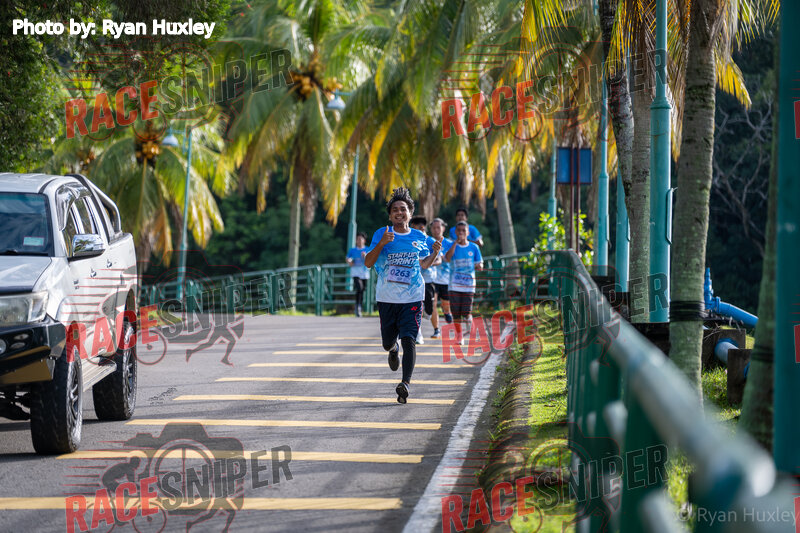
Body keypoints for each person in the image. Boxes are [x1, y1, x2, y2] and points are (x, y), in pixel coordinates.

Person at [365, 188, 442, 404]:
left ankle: (405, 383)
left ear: (410, 213)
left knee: (409, 339)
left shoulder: (420, 237)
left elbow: (424, 265)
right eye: (395, 210)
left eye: (403, 209)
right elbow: (368, 263)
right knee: (387, 342)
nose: (399, 212)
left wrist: (435, 252)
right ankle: (392, 349)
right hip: (387, 297)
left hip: (413, 297)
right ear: (390, 215)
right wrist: (382, 243)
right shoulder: (382, 233)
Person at [444, 221, 483, 345]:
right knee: (456, 312)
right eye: (458, 231)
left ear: (468, 232)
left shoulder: (474, 247)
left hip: (468, 285)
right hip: (454, 285)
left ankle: (469, 320)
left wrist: (480, 266)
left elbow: (479, 262)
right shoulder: (452, 245)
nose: (461, 233)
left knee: (466, 311)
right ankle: (459, 336)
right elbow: (447, 258)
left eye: (463, 231)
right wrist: (455, 243)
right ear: (455, 232)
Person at [409, 216, 441, 344]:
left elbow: (439, 259)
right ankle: (418, 334)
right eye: (416, 228)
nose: (420, 230)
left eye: (422, 228)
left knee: (429, 309)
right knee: (416, 307)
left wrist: (427, 263)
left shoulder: (430, 241)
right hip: (414, 280)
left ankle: (428, 314)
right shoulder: (409, 241)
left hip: (428, 279)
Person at [428, 218, 454, 338]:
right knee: (432, 304)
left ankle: (447, 311)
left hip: (446, 279)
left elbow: (452, 259)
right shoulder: (428, 241)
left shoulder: (449, 243)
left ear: (443, 228)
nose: (436, 230)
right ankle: (436, 329)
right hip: (432, 278)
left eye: (438, 227)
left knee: (445, 303)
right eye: (434, 227)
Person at [345, 232, 370, 317]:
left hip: (364, 272)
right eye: (357, 239)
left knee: (362, 290)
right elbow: (348, 258)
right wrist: (349, 261)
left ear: (364, 240)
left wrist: (365, 256)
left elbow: (371, 259)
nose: (358, 241)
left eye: (360, 239)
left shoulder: (367, 249)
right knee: (359, 287)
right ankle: (358, 307)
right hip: (355, 271)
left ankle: (359, 306)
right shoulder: (352, 250)